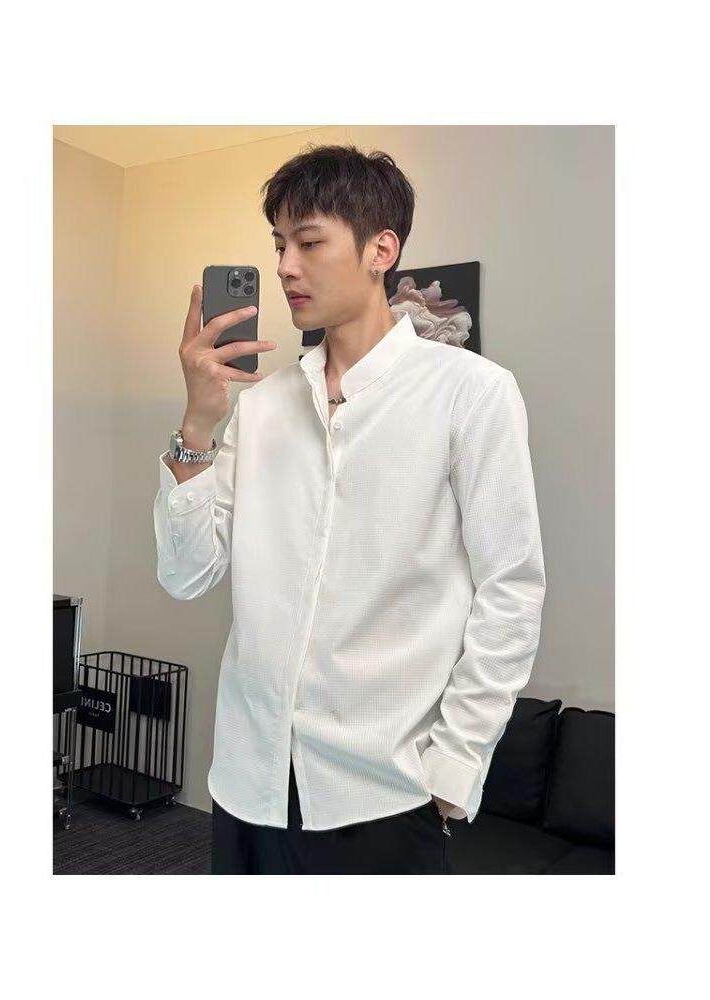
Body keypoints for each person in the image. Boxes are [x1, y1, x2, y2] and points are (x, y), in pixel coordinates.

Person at [154, 144, 546, 874]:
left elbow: (511, 590)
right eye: (278, 244)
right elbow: (187, 575)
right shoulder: (263, 406)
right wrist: (199, 422)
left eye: (308, 243)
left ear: (380, 250)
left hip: (385, 794)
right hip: (247, 782)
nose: (285, 267)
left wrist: (454, 769)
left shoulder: (472, 393)